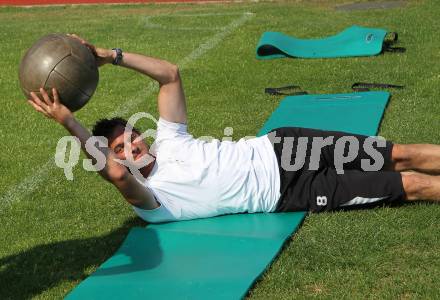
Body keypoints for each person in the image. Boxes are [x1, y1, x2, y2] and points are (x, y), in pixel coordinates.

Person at [27, 35, 440, 223]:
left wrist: (109, 55)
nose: (130, 146)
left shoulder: (169, 140)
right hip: (287, 193)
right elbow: (115, 175)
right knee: (407, 184)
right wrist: (68, 121)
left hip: (285, 147)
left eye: (129, 136)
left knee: (398, 153)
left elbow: (169, 75)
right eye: (118, 147)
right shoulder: (150, 201)